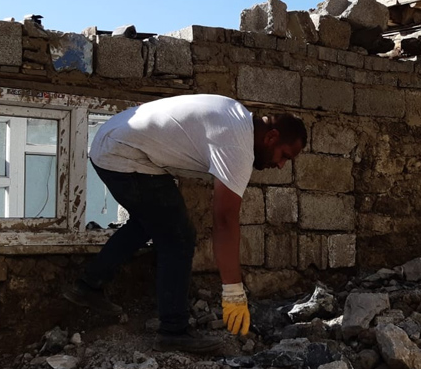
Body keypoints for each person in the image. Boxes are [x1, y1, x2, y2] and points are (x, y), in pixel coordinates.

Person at [63, 94, 306, 353]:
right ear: (271, 137)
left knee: (150, 221)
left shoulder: (234, 112)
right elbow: (224, 219)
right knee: (179, 238)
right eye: (284, 156)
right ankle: (173, 331)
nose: (280, 165)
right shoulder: (238, 146)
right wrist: (234, 290)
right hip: (122, 153)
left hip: (113, 139)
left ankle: (88, 285)